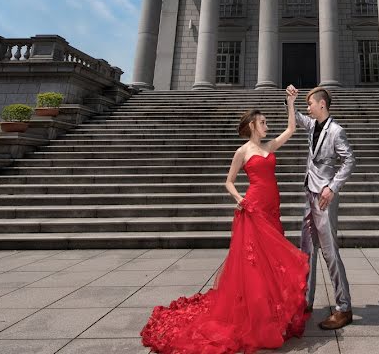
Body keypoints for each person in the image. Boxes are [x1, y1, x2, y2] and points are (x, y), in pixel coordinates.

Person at [140, 87, 310, 354]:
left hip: (271, 209)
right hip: (252, 208)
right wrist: (239, 199)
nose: (267, 126)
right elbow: (228, 182)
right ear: (253, 125)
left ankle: (270, 310)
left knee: (271, 262)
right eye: (263, 122)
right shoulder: (242, 151)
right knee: (254, 264)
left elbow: (291, 130)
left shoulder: (268, 146)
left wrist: (290, 103)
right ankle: (256, 314)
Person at [288, 84, 356, 330]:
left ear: (321, 105)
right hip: (309, 194)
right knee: (307, 250)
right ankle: (305, 300)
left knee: (329, 252)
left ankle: (344, 307)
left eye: (310, 104)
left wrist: (332, 187)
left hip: (325, 197)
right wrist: (291, 100)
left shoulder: (336, 131)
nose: (308, 108)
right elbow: (295, 117)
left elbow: (349, 160)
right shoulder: (312, 126)